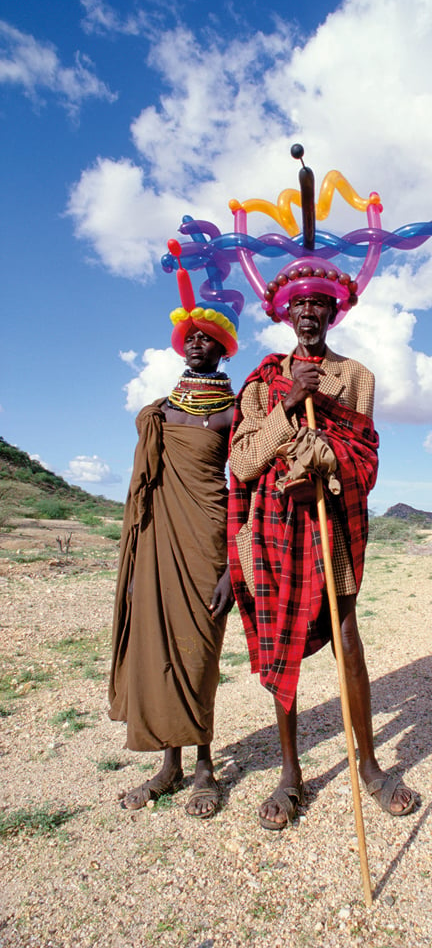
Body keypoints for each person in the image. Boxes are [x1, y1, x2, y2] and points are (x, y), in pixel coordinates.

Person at [228, 286, 416, 829]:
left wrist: (326, 475)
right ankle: (290, 774)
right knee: (276, 641)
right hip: (272, 529)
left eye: (319, 306)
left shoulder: (357, 377)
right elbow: (243, 464)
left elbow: (365, 460)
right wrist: (288, 405)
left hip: (330, 524)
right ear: (287, 314)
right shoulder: (263, 383)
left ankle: (371, 766)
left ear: (333, 313)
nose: (309, 313)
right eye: (299, 306)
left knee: (348, 638)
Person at [109, 275, 241, 819]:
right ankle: (170, 765)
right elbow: (142, 495)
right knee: (160, 651)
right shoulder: (159, 414)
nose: (196, 343)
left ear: (223, 347)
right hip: (160, 544)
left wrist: (235, 566)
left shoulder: (238, 411)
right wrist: (138, 563)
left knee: (200, 654)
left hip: (209, 542)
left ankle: (206, 767)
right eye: (190, 336)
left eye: (207, 338)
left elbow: (248, 485)